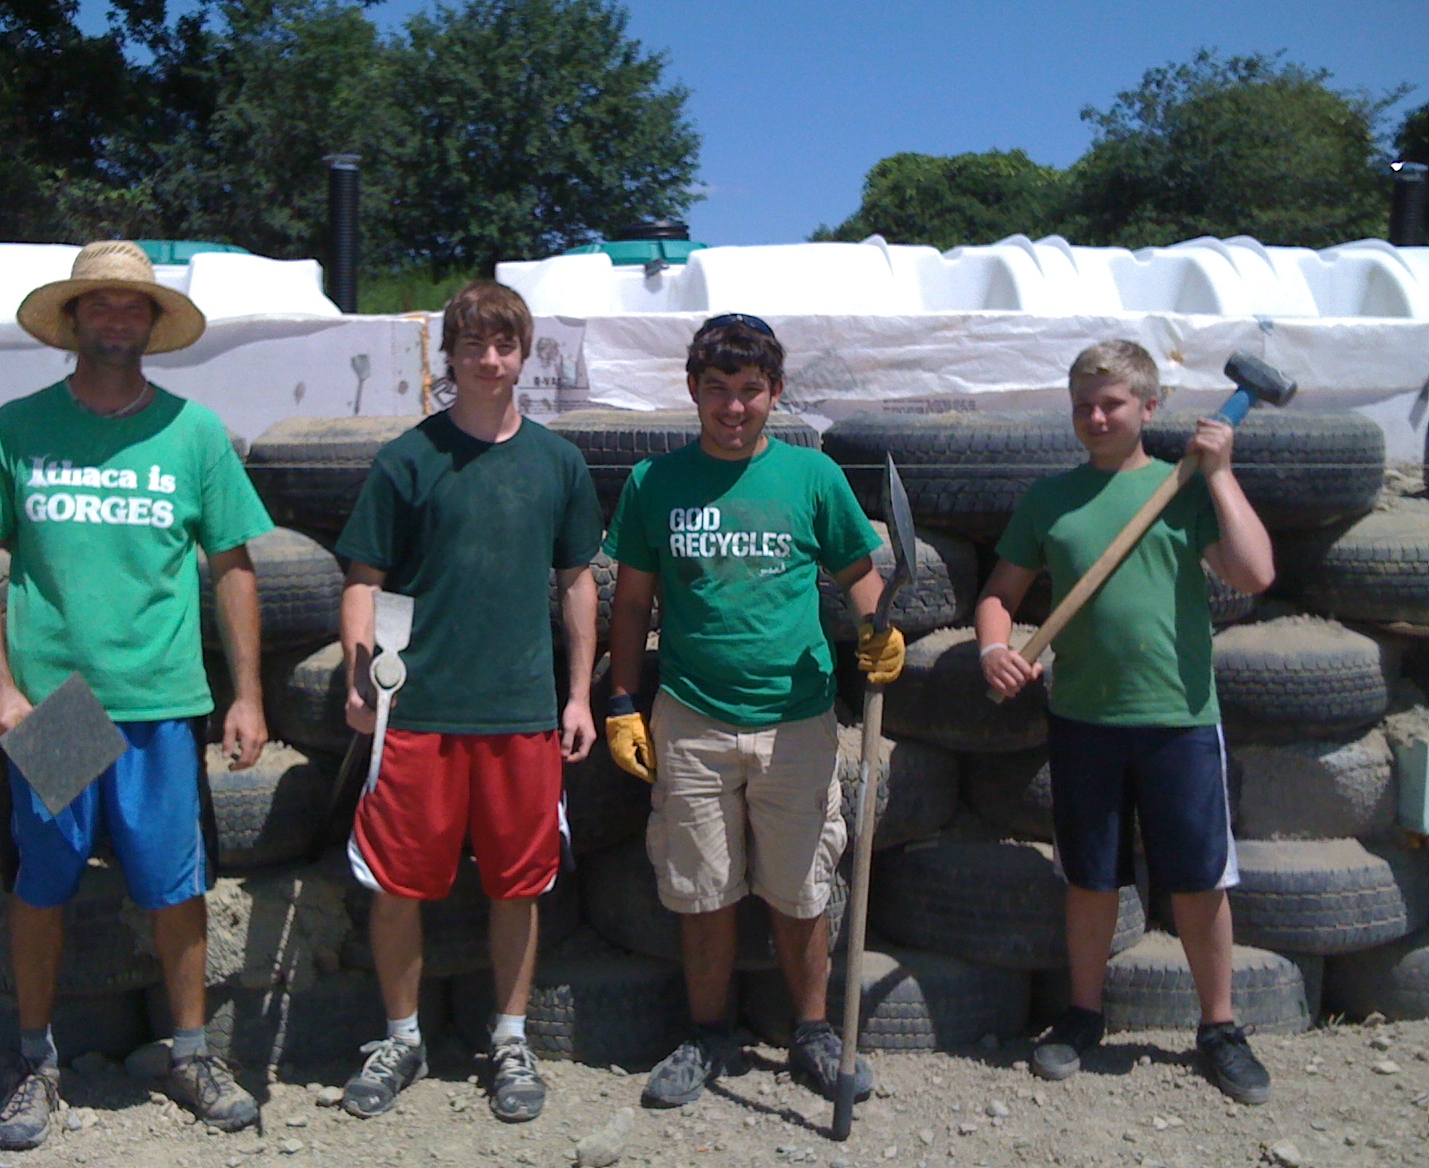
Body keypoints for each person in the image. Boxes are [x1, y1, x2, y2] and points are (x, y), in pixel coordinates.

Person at [0, 240, 273, 1149]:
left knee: (175, 886)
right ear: (75, 320)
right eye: (102, 306)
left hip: (163, 701)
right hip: (59, 708)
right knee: (42, 885)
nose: (118, 319)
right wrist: (1, 684)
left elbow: (234, 566)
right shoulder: (18, 428)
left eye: (134, 307)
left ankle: (192, 1052)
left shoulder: (192, 432)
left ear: (153, 326)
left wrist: (246, 695)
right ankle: (34, 1063)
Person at [602, 313, 904, 1108]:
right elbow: (631, 606)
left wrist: (882, 633)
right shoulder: (653, 485)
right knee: (703, 889)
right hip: (691, 718)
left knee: (802, 889)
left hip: (798, 719)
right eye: (717, 392)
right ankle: (707, 1035)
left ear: (774, 394)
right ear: (693, 392)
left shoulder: (812, 479)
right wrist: (624, 702)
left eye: (749, 392)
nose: (733, 408)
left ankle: (811, 1032)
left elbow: (859, 575)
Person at [976, 339, 1276, 1104]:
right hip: (1083, 717)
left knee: (1201, 881)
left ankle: (1220, 1028)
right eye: (1083, 404)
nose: (1096, 416)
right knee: (1090, 877)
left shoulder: (1186, 491)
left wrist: (1221, 472)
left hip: (1178, 716)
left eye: (1112, 403)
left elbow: (1255, 573)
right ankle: (1083, 1016)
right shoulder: (1051, 499)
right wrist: (992, 649)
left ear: (1150, 408)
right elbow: (1000, 595)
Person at [334, 281, 601, 1123]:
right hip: (417, 715)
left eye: (505, 345)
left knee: (517, 885)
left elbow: (578, 586)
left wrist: (580, 696)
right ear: (448, 356)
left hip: (522, 714)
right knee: (398, 885)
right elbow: (365, 581)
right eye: (474, 345)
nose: (490, 360)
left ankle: (512, 1038)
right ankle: (402, 1038)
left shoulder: (557, 462)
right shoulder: (408, 459)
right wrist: (358, 678)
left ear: (524, 354)